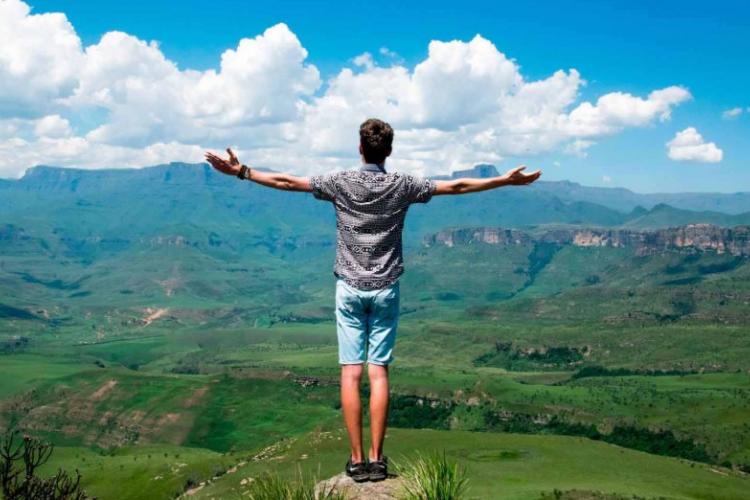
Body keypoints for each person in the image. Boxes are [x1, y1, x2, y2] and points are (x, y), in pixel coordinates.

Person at [204, 118, 541, 483]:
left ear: (360, 148)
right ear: (389, 150)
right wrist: (504, 180)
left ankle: (356, 460)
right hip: (386, 288)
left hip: (349, 288)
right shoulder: (403, 185)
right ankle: (378, 461)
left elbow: (287, 182)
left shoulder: (340, 182)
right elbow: (457, 186)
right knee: (378, 372)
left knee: (351, 373)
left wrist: (243, 171)